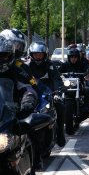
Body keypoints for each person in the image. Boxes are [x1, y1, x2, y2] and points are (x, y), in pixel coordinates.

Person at [26, 41, 66, 169]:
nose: (38, 57)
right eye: (35, 54)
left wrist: (58, 92)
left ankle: (60, 133)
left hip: (48, 94)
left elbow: (57, 80)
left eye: (40, 54)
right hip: (31, 95)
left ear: (45, 55)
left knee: (60, 106)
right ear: (31, 54)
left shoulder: (50, 66)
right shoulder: (27, 66)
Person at [0, 36, 38, 170]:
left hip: (12, 116)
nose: (1, 59)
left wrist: (28, 100)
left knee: (30, 131)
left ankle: (33, 165)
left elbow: (28, 88)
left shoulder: (17, 71)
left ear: (11, 55)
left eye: (3, 56)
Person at [58, 47, 89, 117]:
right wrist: (57, 73)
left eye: (75, 57)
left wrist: (88, 72)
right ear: (69, 57)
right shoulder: (65, 64)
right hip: (67, 85)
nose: (73, 59)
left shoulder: (82, 64)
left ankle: (87, 107)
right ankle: (58, 110)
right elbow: (58, 71)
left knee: (88, 90)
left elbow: (87, 69)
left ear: (78, 58)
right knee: (57, 92)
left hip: (79, 84)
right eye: (71, 57)